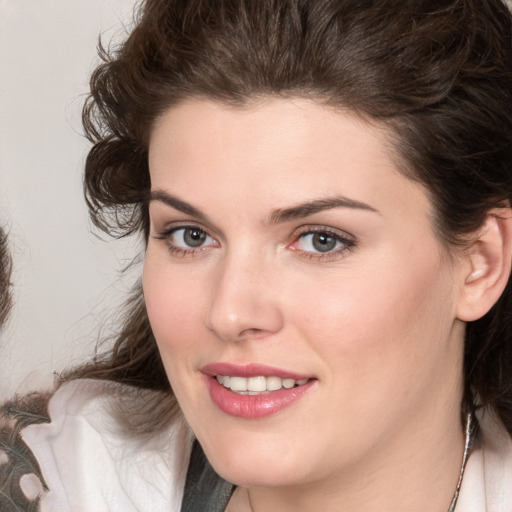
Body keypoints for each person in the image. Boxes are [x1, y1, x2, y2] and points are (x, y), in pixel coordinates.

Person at [2, 0, 512, 510]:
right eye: (191, 236)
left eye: (320, 240)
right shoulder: (66, 481)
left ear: (481, 264)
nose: (229, 313)